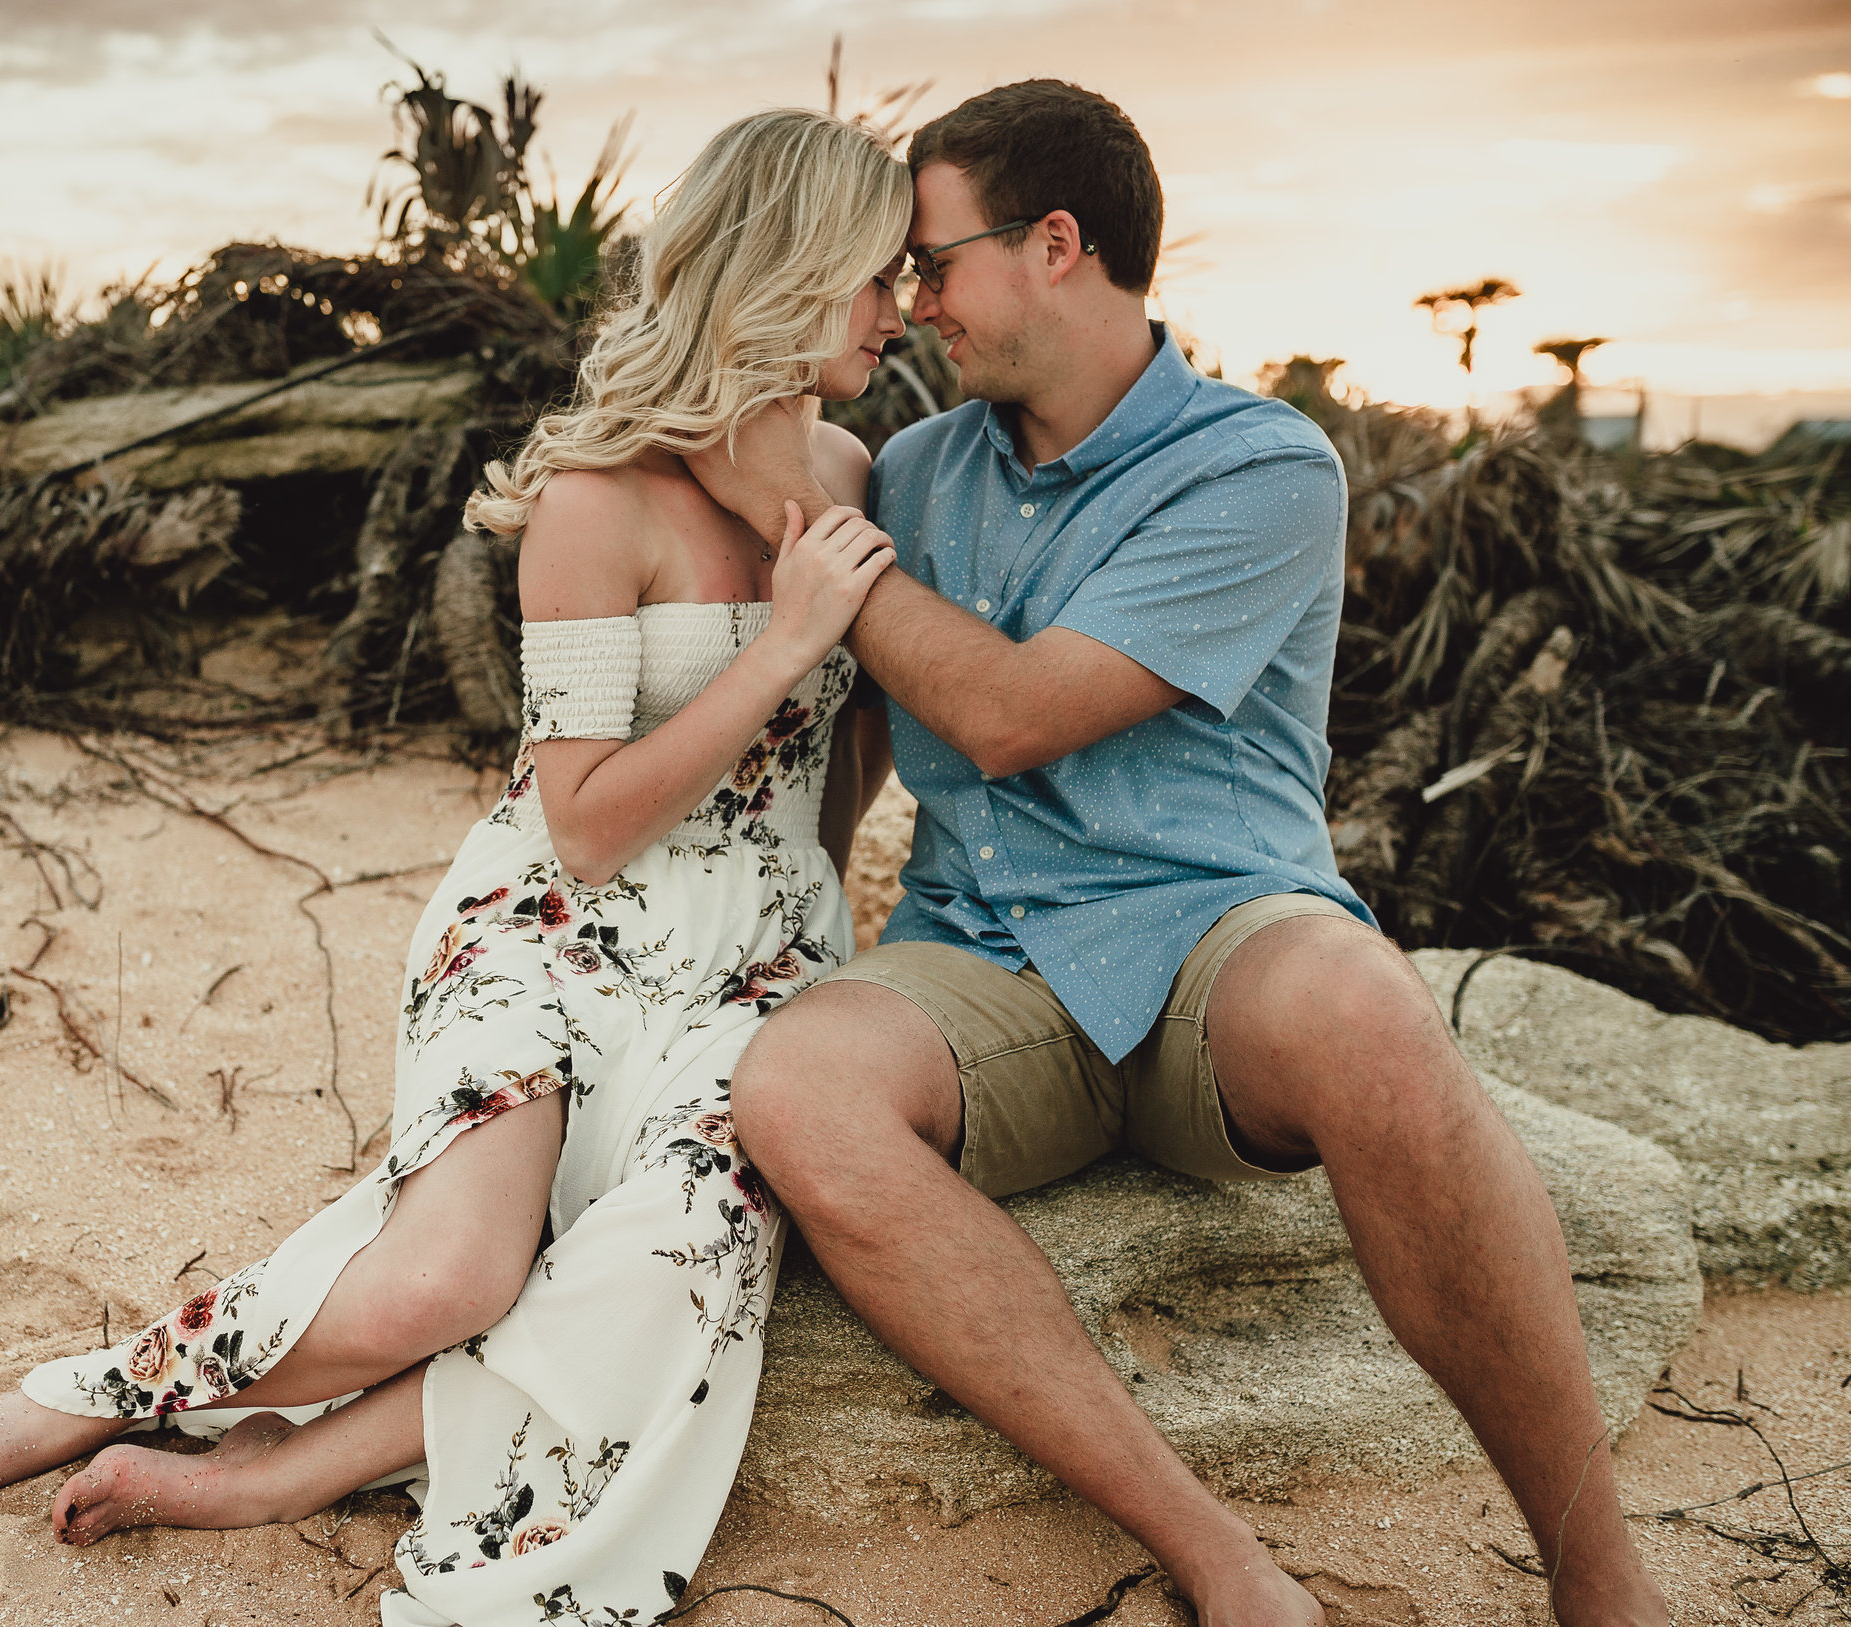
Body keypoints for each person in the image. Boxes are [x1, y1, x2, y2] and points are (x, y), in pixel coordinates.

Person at [0, 108, 907, 1627]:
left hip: (761, 953)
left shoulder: (854, 465)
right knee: (443, 1282)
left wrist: (827, 920)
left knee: (673, 1256)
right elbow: (587, 820)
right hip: (552, 925)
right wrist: (790, 636)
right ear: (793, 271)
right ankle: (78, 1398)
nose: (900, 306)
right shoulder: (595, 501)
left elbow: (839, 756)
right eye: (877, 274)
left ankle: (285, 1470)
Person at [688, 81, 1673, 1627]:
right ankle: (1221, 1558)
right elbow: (852, 733)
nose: (917, 301)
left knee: (1369, 1011)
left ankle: (1603, 1580)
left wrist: (820, 554)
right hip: (981, 958)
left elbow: (1012, 716)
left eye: (934, 262)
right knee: (798, 1087)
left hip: (1217, 942)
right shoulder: (917, 472)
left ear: (1057, 245)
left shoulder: (1261, 471)